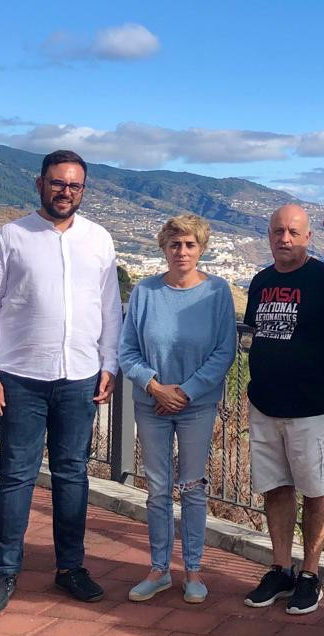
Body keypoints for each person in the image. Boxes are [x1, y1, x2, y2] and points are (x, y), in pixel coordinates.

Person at [0, 149, 122, 614]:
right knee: (16, 475)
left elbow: (110, 308)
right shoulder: (11, 236)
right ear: (40, 184)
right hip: (19, 378)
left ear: (83, 190)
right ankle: (6, 572)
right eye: (57, 183)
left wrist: (108, 364)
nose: (65, 192)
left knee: (73, 473)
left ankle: (70, 568)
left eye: (74, 185)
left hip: (80, 376)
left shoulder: (99, 239)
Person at [118, 215, 236, 604]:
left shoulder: (217, 293)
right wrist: (154, 385)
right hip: (151, 403)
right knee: (156, 489)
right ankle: (158, 569)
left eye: (189, 244)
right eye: (174, 245)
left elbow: (224, 351)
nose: (182, 251)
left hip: (196, 406)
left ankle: (194, 571)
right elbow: (127, 349)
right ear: (164, 248)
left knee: (193, 487)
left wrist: (184, 392)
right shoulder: (145, 292)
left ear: (201, 248)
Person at [243, 204, 324, 615]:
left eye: (293, 233)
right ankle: (280, 567)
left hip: (311, 408)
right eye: (278, 232)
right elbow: (252, 334)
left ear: (308, 237)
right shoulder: (260, 282)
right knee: (276, 488)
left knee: (316, 490)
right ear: (268, 235)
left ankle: (311, 573)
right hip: (264, 404)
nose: (284, 239)